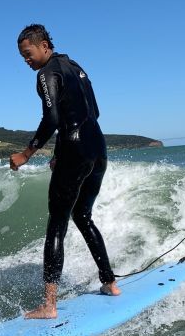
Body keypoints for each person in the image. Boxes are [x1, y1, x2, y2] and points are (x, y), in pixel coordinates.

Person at [10, 24, 120, 319]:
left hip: (76, 149)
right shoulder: (75, 67)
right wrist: (61, 152)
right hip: (98, 148)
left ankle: (49, 305)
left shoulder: (46, 74)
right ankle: (110, 282)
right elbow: (92, 112)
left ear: (43, 45)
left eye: (28, 53)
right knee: (82, 215)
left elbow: (53, 118)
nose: (26, 60)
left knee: (57, 223)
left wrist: (26, 153)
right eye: (22, 56)